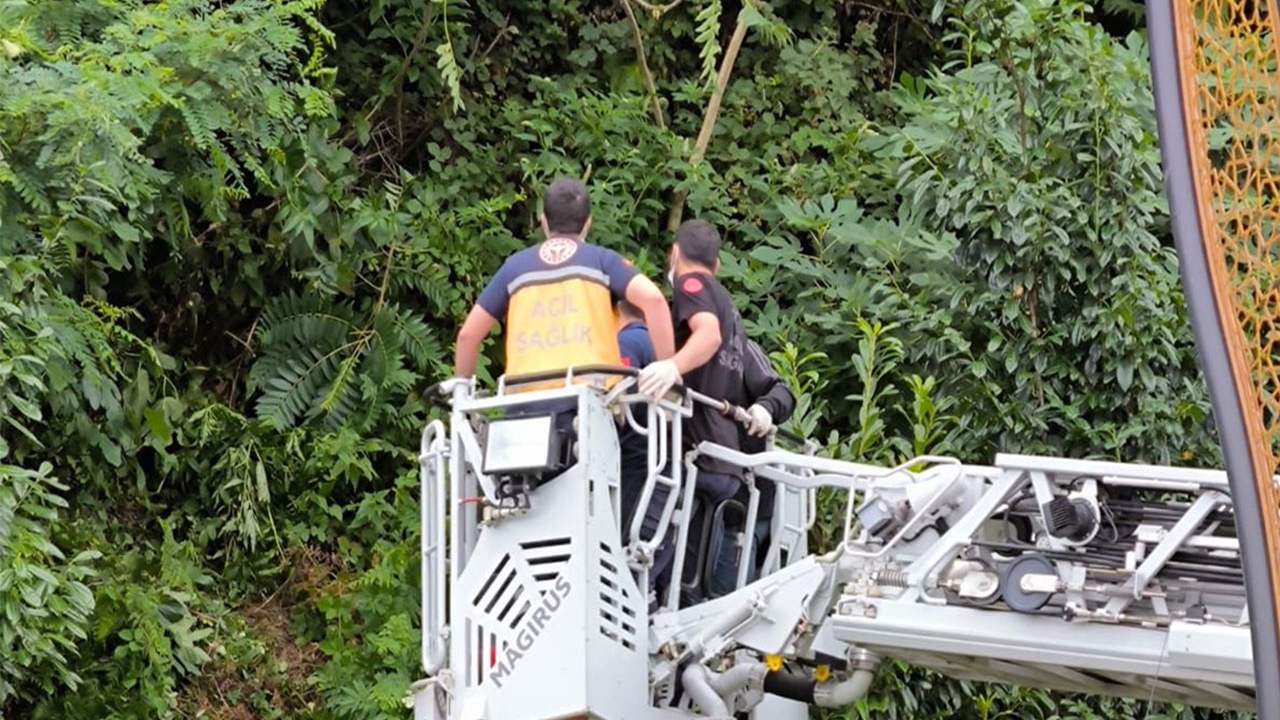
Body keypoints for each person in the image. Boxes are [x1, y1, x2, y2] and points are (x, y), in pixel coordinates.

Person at [636, 219, 760, 605]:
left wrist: (672, 367)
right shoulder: (730, 306)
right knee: (687, 581)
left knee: (644, 544)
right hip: (723, 460)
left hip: (695, 451)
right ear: (718, 263)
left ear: (674, 254)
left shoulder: (694, 286)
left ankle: (633, 603)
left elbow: (707, 335)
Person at [452, 176, 674, 383]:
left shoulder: (515, 268)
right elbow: (653, 300)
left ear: (543, 221)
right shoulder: (603, 262)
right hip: (589, 401)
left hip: (524, 405)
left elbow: (468, 336)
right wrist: (666, 369)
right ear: (588, 222)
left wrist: (463, 395)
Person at [707, 339, 796, 596]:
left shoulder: (739, 349)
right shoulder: (670, 346)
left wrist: (765, 409)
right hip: (700, 504)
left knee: (727, 602)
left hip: (741, 509)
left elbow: (782, 392)